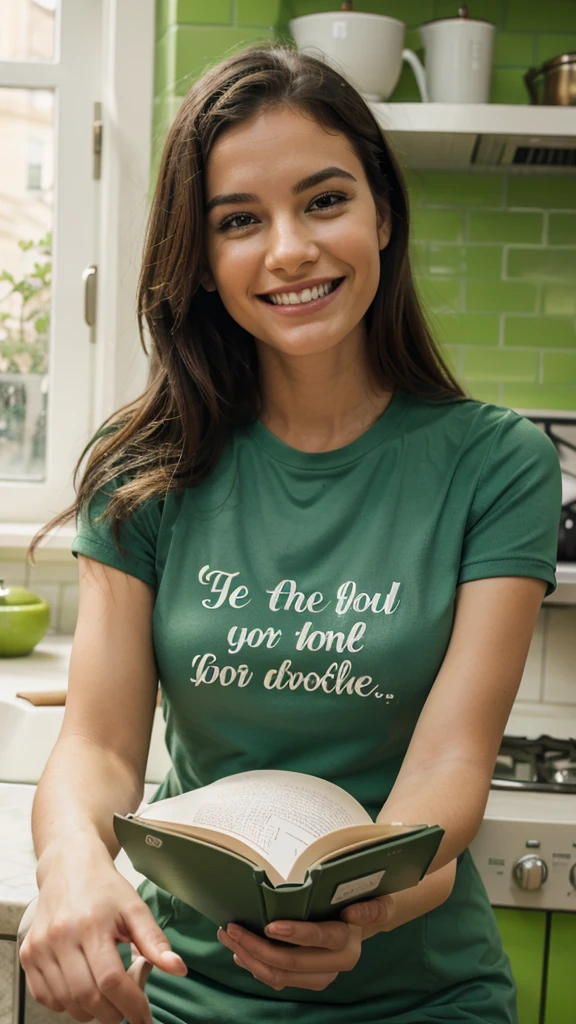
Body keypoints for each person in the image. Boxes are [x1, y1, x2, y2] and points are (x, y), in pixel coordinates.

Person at [21, 43, 561, 1024]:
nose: (289, 250)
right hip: (183, 990)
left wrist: (369, 904)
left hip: (422, 996)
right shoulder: (145, 465)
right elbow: (98, 744)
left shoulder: (497, 463)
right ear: (202, 255)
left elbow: (449, 766)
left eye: (324, 201)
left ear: (383, 214)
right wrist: (70, 865)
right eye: (239, 220)